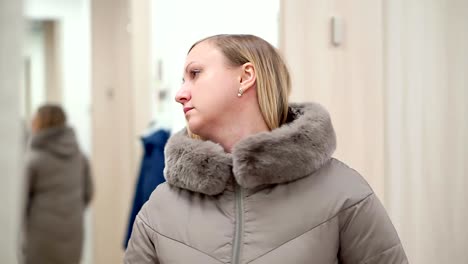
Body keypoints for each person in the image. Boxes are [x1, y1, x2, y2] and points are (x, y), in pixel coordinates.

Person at [124, 34, 408, 263]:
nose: (180, 94)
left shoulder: (344, 193)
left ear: (246, 76)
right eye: (182, 80)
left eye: (195, 73)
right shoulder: (161, 206)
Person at [22, 104, 93, 264]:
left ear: (42, 123)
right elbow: (88, 194)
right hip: (73, 235)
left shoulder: (33, 159)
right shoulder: (80, 157)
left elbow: (21, 202)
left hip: (40, 238)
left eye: (35, 120)